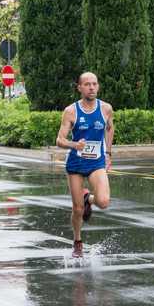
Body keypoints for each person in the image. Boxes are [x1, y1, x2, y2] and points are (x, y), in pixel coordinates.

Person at [56, 72, 113, 258]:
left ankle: (89, 198)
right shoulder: (71, 111)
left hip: (96, 161)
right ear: (79, 88)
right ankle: (78, 240)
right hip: (76, 162)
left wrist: (108, 153)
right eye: (87, 84)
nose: (91, 87)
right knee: (78, 209)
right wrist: (75, 145)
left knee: (103, 201)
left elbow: (110, 128)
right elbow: (59, 140)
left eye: (94, 84)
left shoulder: (105, 109)